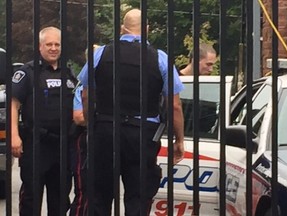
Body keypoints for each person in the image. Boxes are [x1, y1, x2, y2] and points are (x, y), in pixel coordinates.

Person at [78, 8, 185, 216]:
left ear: (121, 29)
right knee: (138, 196)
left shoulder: (101, 53)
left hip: (106, 130)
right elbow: (174, 106)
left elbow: (85, 95)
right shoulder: (159, 58)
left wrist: (93, 124)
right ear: (147, 29)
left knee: (100, 195)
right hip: (142, 135)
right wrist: (178, 139)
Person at [11, 26, 77, 216]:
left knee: (60, 197)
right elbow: (13, 105)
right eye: (49, 44)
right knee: (31, 197)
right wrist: (14, 136)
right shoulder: (28, 72)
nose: (53, 48)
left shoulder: (69, 73)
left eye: (57, 44)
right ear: (40, 46)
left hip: (63, 145)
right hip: (36, 144)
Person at [69, 83, 88, 216]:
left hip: (121, 142)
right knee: (84, 191)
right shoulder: (84, 86)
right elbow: (79, 117)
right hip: (88, 143)